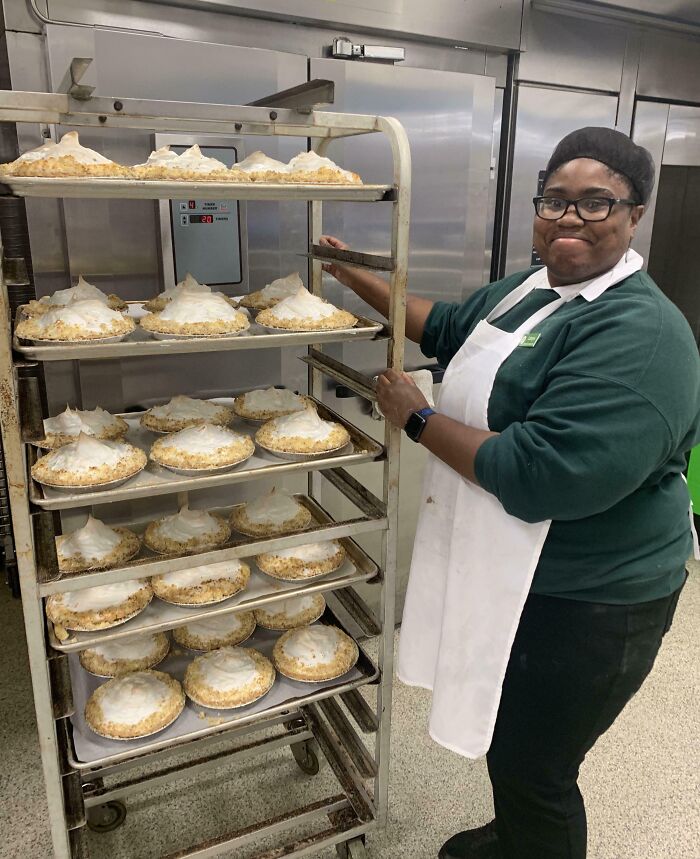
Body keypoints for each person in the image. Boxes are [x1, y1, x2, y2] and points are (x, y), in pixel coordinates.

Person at [319, 126, 700, 859]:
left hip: (595, 602)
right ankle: (513, 837)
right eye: (555, 200)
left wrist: (419, 419)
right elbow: (447, 327)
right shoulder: (533, 289)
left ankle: (531, 837)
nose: (569, 217)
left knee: (539, 768)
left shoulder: (640, 332)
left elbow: (541, 474)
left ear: (635, 214)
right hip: (518, 574)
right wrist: (352, 275)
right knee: (513, 737)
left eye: (595, 203)